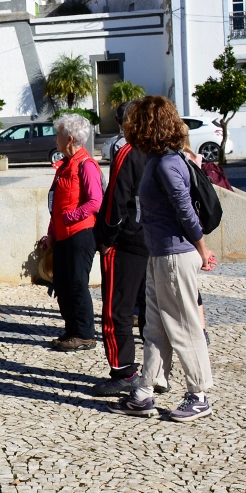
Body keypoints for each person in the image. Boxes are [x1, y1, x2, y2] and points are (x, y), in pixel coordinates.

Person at [110, 96, 216, 422]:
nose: (129, 126)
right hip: (159, 255)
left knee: (183, 327)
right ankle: (144, 392)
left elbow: (184, 210)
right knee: (154, 328)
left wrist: (201, 248)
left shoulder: (169, 163)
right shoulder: (159, 160)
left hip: (174, 256)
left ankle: (198, 394)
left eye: (135, 120)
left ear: (147, 125)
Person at [95, 100, 150, 395]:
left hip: (127, 241)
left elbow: (115, 202)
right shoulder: (160, 149)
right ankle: (156, 371)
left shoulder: (127, 152)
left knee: (118, 309)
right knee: (151, 310)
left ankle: (123, 371)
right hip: (154, 240)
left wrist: (106, 238)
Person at [43, 114, 103, 352]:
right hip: (62, 235)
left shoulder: (86, 165)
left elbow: (95, 202)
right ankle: (72, 329)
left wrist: (71, 217)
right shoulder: (65, 165)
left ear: (68, 139)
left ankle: (85, 334)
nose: (55, 139)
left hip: (80, 234)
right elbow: (55, 203)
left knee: (77, 284)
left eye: (57, 134)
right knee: (63, 284)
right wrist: (51, 232)